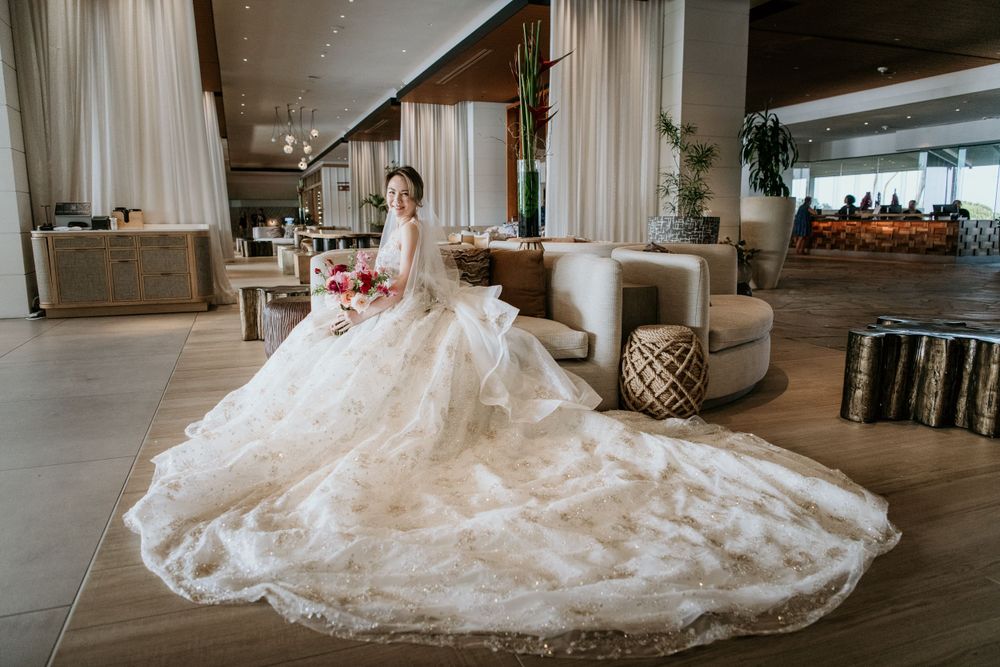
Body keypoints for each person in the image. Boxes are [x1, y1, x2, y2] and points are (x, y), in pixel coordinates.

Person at [124, 166, 899, 659]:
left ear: (416, 197)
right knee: (330, 364)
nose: (398, 203)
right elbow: (377, 271)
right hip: (395, 307)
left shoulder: (419, 227)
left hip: (417, 311)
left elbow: (401, 286)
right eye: (392, 195)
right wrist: (354, 291)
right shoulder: (393, 227)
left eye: (404, 194)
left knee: (401, 377)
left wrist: (368, 305)